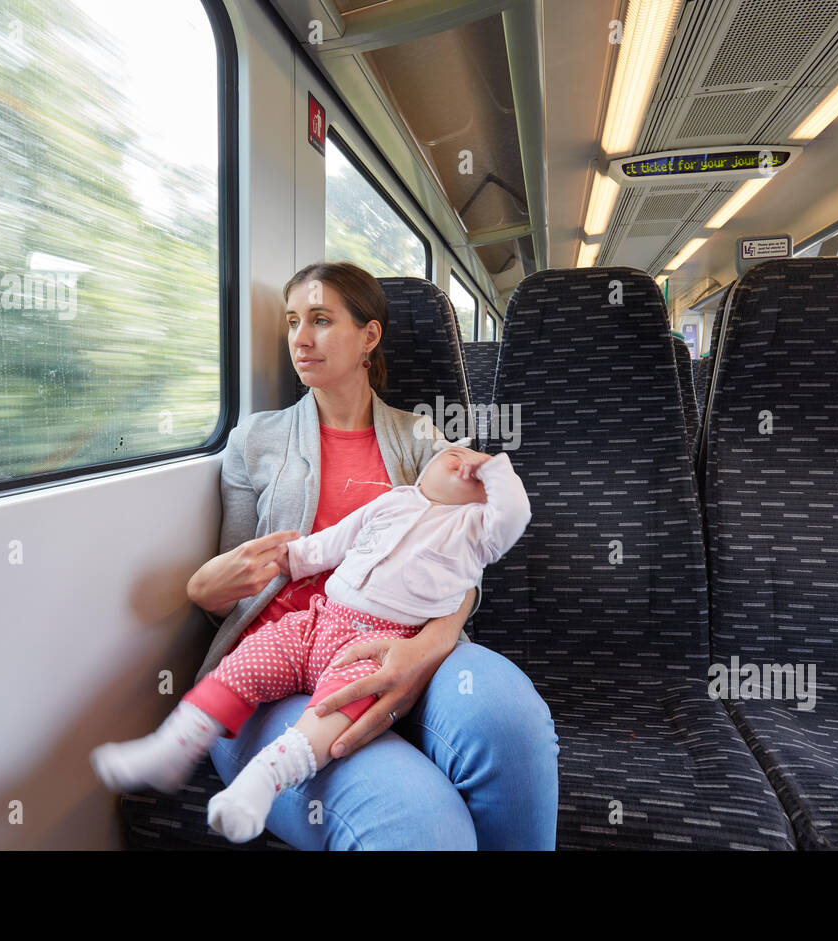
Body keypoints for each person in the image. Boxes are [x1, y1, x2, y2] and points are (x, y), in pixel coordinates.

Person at [143, 261, 557, 849]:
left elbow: (468, 568)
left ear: (369, 336)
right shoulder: (253, 440)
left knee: (510, 721)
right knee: (421, 827)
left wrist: (425, 650)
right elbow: (235, 587)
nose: (300, 339)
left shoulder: (423, 440)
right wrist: (201, 590)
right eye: (292, 322)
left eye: (320, 320)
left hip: (412, 641)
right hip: (278, 668)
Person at [91, 441, 531, 843]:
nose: (465, 460)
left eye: (475, 467)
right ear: (423, 475)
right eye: (452, 456)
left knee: (328, 713)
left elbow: (509, 519)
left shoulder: (475, 529)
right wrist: (292, 559)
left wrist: (493, 470)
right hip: (316, 619)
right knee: (247, 662)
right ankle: (175, 744)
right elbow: (337, 540)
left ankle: (263, 782)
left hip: (378, 646)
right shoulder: (393, 500)